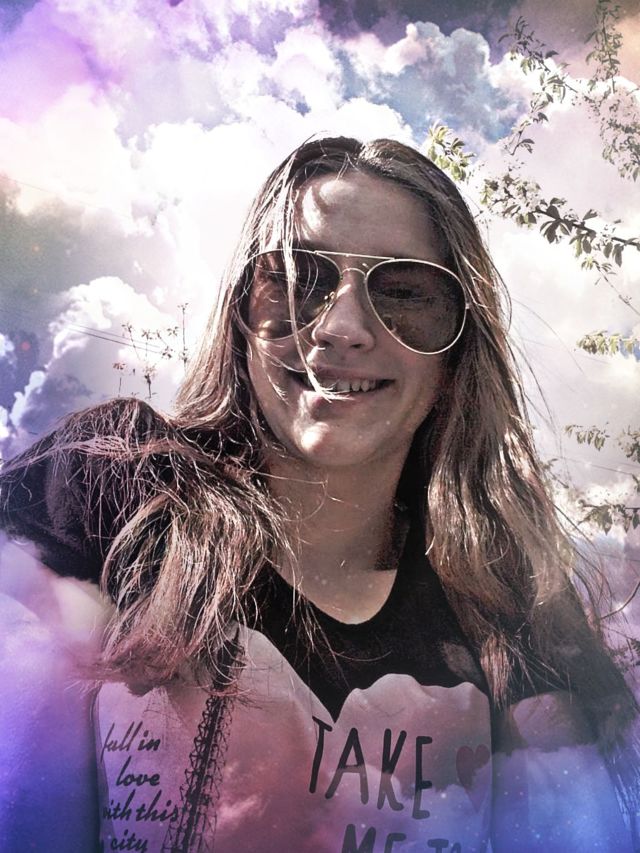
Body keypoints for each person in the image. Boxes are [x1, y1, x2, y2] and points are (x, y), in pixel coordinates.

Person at [0, 136, 638, 852]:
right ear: (242, 314)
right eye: (297, 279)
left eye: (404, 293)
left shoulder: (512, 608)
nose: (340, 328)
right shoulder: (113, 484)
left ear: (459, 352)